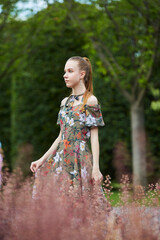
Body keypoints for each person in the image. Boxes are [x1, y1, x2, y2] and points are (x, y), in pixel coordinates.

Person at [30, 56, 106, 200]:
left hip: (80, 157)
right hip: (61, 158)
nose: (65, 75)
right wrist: (41, 160)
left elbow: (95, 138)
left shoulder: (90, 100)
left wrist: (96, 167)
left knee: (84, 202)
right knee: (57, 200)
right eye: (65, 71)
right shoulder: (64, 102)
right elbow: (61, 137)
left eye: (70, 71)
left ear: (82, 74)